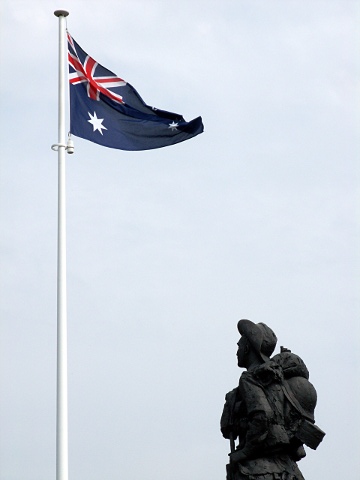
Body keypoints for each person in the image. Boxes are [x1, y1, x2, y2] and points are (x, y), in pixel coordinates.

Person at [221, 320, 307, 480]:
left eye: (239, 346)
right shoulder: (279, 377)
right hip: (290, 470)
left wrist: (244, 452)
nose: (237, 351)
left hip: (257, 470)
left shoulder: (249, 378)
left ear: (247, 348)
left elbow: (262, 415)